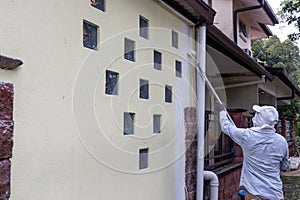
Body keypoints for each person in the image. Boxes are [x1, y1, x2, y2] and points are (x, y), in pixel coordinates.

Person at [218, 104, 289, 200]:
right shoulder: (282, 141)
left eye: (257, 114)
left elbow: (227, 127)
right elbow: (285, 166)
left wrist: (222, 112)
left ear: (261, 119)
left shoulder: (247, 136)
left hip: (255, 195)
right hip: (275, 194)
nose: (254, 117)